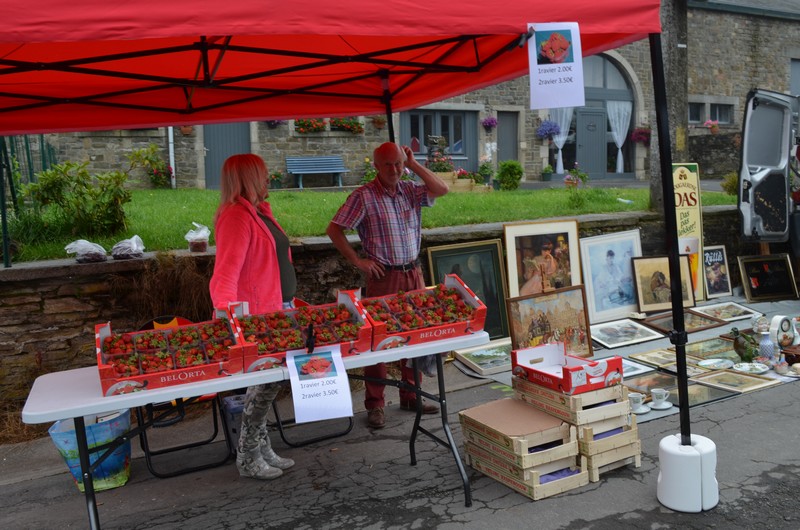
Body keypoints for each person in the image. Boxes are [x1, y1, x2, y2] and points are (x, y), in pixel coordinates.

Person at [326, 142, 449, 429]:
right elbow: (334, 229)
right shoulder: (364, 196)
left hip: (413, 272)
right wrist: (358, 260)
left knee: (414, 335)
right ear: (376, 167)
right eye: (388, 165)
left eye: (398, 164)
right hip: (385, 276)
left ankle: (411, 395)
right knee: (378, 340)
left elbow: (442, 189)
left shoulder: (410, 190)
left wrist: (414, 164)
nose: (394, 170)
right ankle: (375, 404)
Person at [209, 154, 296, 480]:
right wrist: (231, 321)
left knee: (267, 385)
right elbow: (225, 273)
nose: (268, 178)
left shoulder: (257, 212)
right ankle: (247, 456)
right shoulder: (236, 216)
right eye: (262, 174)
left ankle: (262, 447)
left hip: (275, 311)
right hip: (255, 319)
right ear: (248, 178)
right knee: (262, 387)